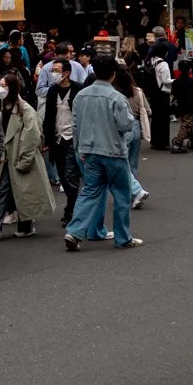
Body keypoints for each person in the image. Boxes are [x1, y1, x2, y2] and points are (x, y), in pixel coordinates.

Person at [63, 55, 143, 252]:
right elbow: (126, 125)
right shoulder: (116, 97)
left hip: (89, 151)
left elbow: (75, 125)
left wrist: (79, 148)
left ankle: (74, 231)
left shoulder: (81, 96)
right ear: (113, 74)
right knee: (121, 195)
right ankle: (123, 238)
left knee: (90, 191)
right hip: (113, 151)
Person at [0, 72, 50, 239]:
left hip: (20, 155)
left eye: (4, 86)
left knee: (23, 191)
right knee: (3, 190)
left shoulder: (25, 109)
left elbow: (32, 135)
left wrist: (24, 159)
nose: (0, 89)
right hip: (6, 157)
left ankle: (23, 224)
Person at [41, 60, 82, 225]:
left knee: (70, 175)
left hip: (72, 138)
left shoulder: (78, 89)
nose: (53, 74)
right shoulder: (52, 90)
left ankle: (72, 212)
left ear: (66, 73)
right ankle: (72, 208)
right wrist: (47, 139)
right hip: (56, 139)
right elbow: (48, 115)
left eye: (56, 71)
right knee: (62, 176)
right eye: (52, 70)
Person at [113, 68, 152, 210]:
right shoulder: (138, 91)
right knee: (133, 162)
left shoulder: (115, 94)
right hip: (136, 126)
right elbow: (148, 110)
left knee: (122, 163)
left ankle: (134, 191)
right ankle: (134, 192)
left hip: (122, 128)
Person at [170, 60, 193, 154]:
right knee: (186, 124)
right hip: (191, 104)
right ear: (189, 69)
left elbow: (174, 93)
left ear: (179, 69)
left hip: (181, 104)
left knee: (188, 123)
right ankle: (177, 144)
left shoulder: (176, 82)